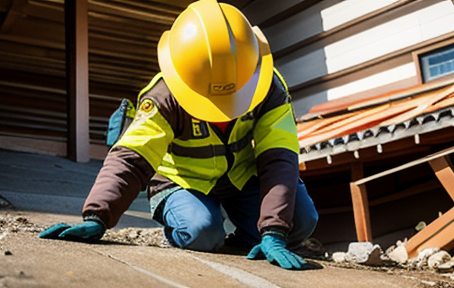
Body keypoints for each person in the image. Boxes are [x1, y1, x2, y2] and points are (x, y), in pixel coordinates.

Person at [39, 0, 318, 270]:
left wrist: (273, 230)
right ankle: (188, 231)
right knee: (202, 233)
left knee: (299, 220)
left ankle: (249, 240)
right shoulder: (163, 96)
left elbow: (279, 158)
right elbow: (130, 158)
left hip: (241, 177)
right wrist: (98, 215)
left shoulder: (269, 87)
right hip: (182, 182)